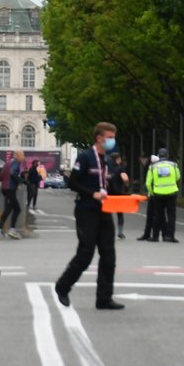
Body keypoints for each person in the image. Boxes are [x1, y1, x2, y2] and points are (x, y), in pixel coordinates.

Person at [55, 123, 127, 309]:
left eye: (114, 137)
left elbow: (109, 186)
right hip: (86, 209)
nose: (113, 140)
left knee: (108, 255)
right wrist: (92, 193)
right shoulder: (86, 157)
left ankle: (104, 298)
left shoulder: (109, 161)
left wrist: (126, 194)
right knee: (86, 253)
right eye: (110, 137)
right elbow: (73, 183)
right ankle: (63, 286)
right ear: (99, 138)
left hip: (104, 211)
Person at [143, 147, 180, 243]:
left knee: (158, 215)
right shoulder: (173, 164)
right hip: (171, 193)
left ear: (158, 156)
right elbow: (178, 177)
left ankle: (155, 237)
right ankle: (171, 236)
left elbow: (147, 183)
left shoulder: (153, 167)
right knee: (171, 215)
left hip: (158, 194)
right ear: (167, 155)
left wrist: (152, 193)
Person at [0, 149, 25, 238]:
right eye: (22, 155)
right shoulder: (16, 163)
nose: (24, 157)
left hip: (5, 188)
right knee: (17, 209)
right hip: (10, 189)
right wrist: (21, 181)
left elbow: (0, 177)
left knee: (9, 209)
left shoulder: (7, 163)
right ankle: (10, 230)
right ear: (17, 156)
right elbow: (12, 173)